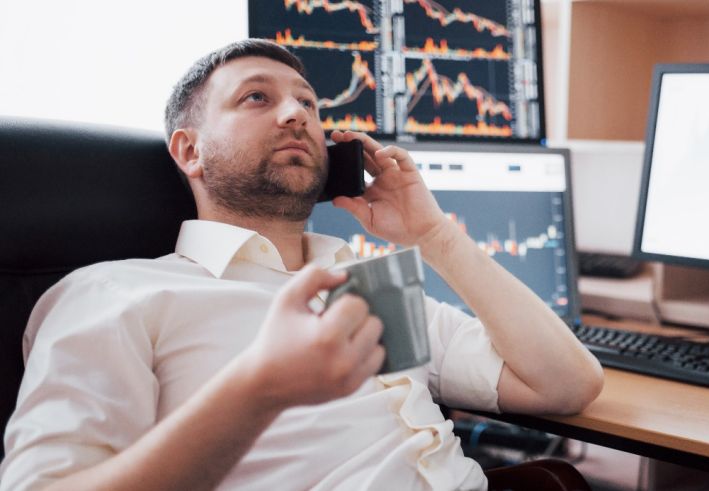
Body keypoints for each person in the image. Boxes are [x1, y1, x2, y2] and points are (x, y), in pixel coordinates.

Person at [0, 39, 603, 491]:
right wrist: (259, 389)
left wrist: (433, 235)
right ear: (189, 150)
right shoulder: (114, 293)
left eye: (308, 104)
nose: (296, 115)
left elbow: (566, 384)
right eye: (257, 97)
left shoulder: (372, 289)